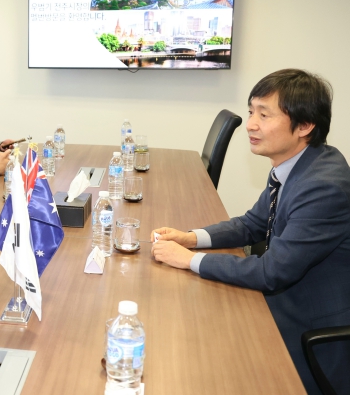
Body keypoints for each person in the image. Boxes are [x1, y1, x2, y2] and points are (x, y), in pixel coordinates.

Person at [150, 69, 350, 395]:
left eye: (264, 115)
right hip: (280, 301)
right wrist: (190, 238)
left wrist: (189, 260)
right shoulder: (296, 164)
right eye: (251, 111)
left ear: (305, 126)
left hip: (308, 330)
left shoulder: (322, 186)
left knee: (203, 357)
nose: (251, 124)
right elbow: (251, 224)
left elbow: (271, 272)